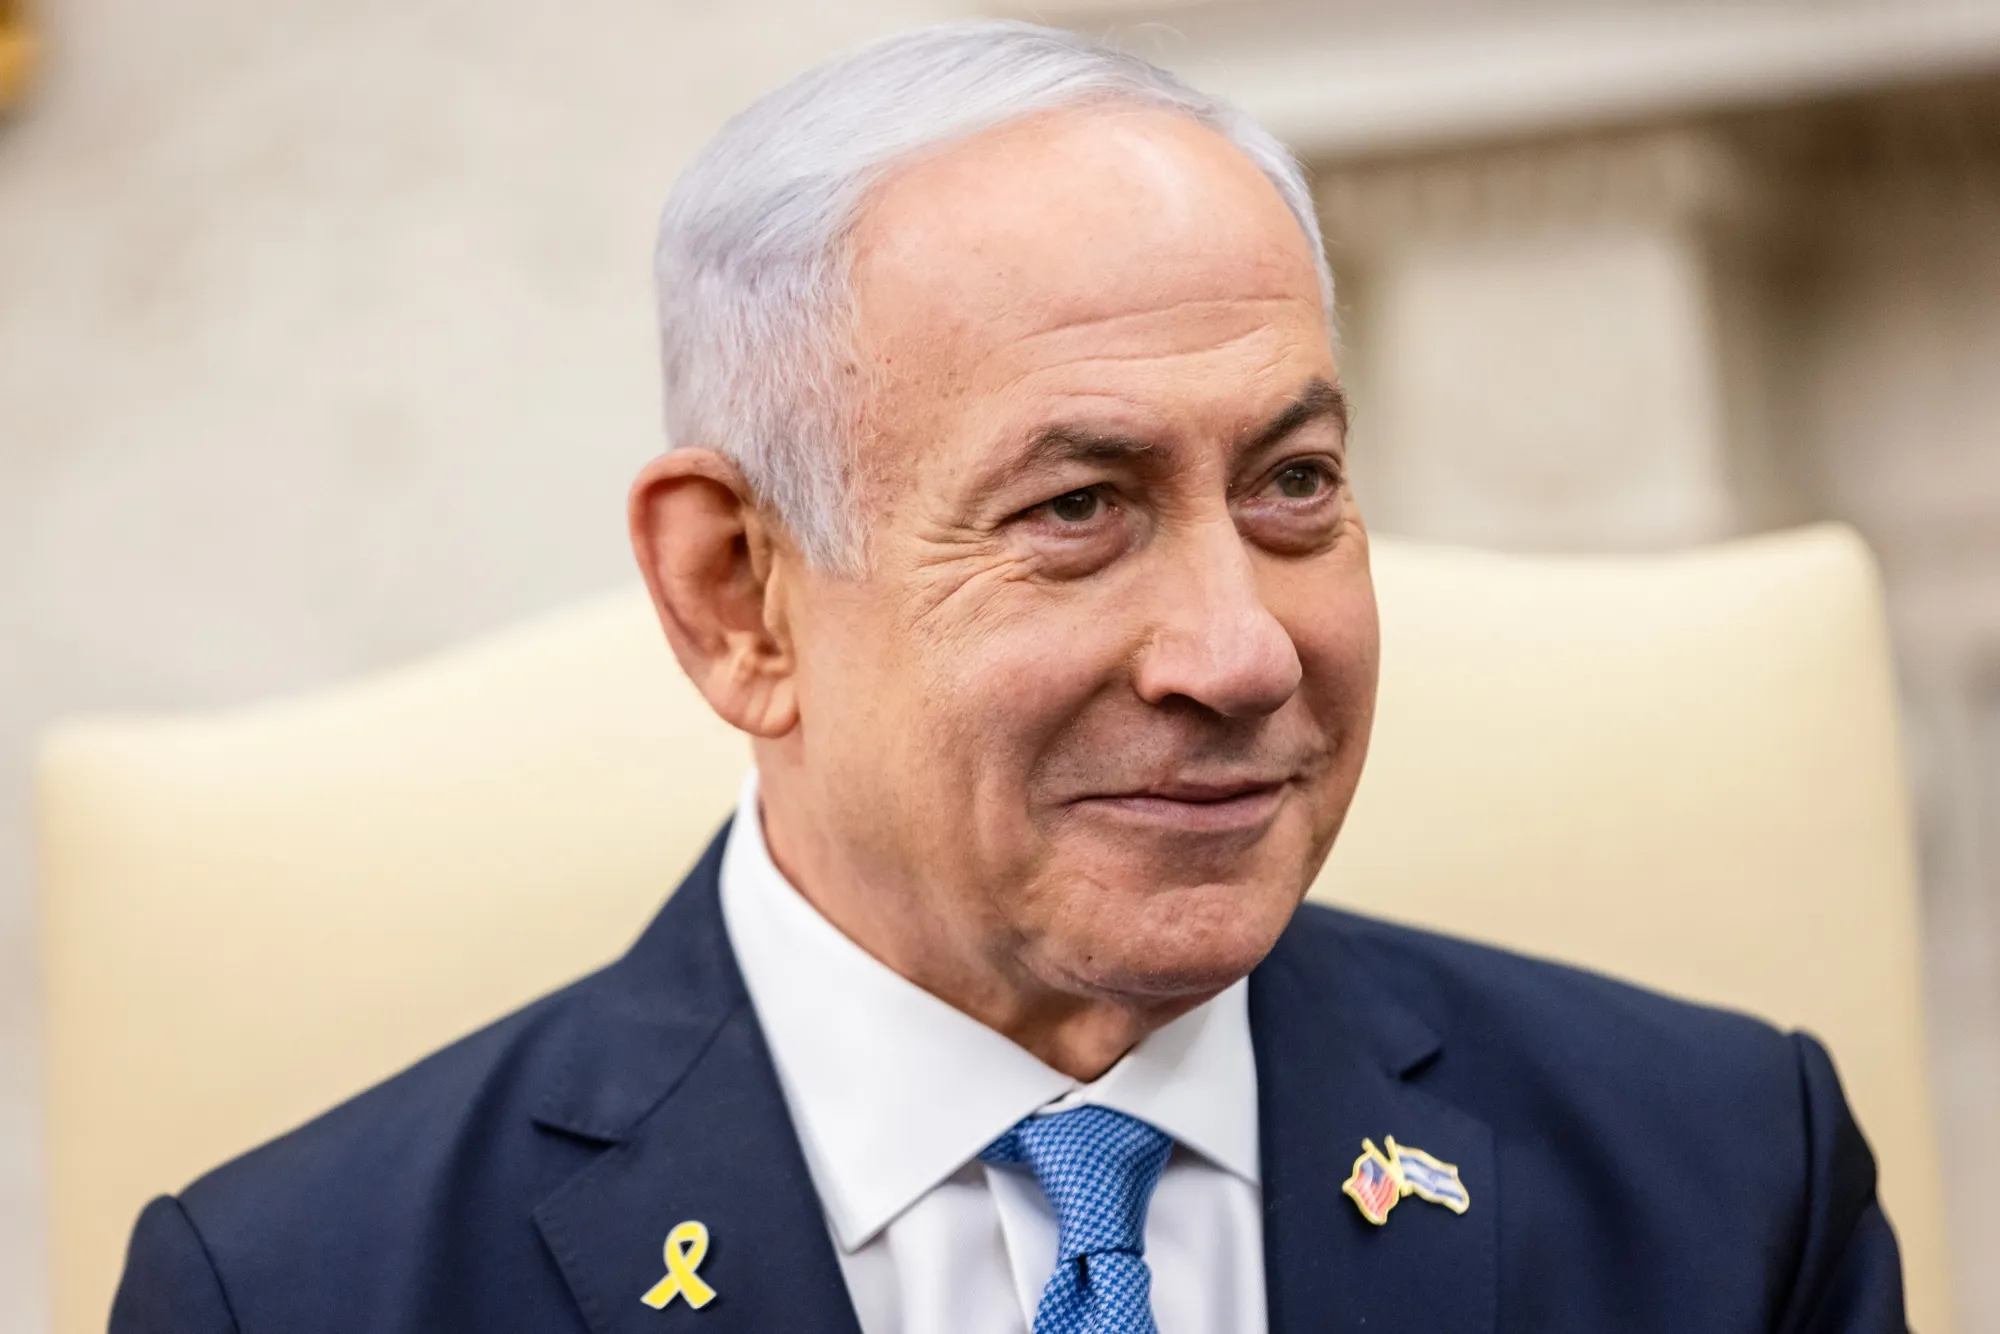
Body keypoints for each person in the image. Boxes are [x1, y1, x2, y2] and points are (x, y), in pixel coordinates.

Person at [109, 21, 1906, 1334]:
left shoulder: (1727, 1181)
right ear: (739, 596)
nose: (1239, 651)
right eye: (1077, 508)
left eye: (1293, 482)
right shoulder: (303, 1290)